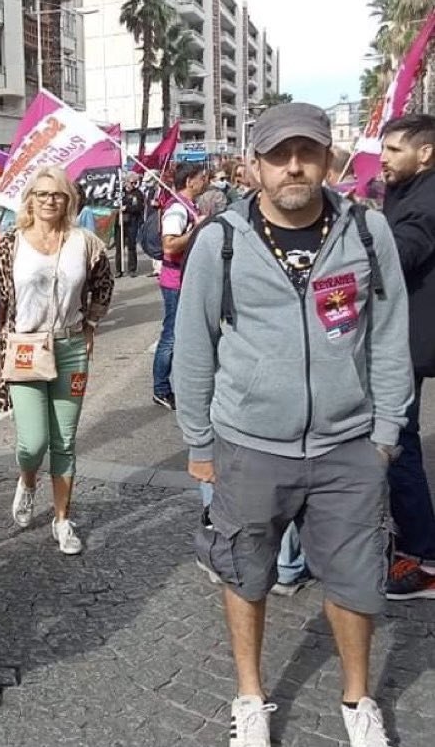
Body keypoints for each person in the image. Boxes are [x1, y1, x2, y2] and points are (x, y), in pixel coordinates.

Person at [173, 102, 413, 747]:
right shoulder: (221, 241)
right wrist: (199, 442)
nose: (294, 166)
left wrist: (386, 433)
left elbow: (389, 335)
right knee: (244, 574)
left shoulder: (367, 231)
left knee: (356, 579)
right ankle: (250, 696)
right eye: (279, 155)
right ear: (255, 165)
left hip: (349, 445)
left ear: (329, 159)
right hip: (248, 446)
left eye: (307, 152)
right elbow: (193, 346)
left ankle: (358, 699)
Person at [0, 166, 114, 555]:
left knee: (64, 441)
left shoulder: (85, 242)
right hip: (25, 348)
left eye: (57, 194)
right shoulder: (9, 244)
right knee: (34, 441)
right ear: (30, 199)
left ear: (69, 200)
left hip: (70, 347)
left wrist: (90, 324)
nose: (49, 200)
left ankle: (62, 520)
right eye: (42, 193)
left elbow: (104, 285)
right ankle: (28, 480)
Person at [380, 113, 435, 599]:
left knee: (398, 442)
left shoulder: (426, 198)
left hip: (411, 341)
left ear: (425, 153)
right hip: (408, 337)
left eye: (394, 149)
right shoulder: (405, 190)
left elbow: (400, 252)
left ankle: (422, 558)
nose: (383, 158)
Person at [152, 163, 208, 410]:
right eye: (201, 178)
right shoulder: (177, 209)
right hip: (176, 282)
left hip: (188, 279)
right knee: (171, 336)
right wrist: (198, 228)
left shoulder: (190, 206)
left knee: (184, 335)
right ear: (189, 181)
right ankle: (161, 389)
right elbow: (170, 245)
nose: (205, 182)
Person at [115, 172, 145, 277]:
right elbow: (114, 204)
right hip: (120, 223)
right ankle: (119, 269)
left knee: (131, 246)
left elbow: (140, 207)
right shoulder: (120, 192)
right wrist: (118, 207)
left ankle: (132, 269)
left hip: (132, 222)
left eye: (135, 183)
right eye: (132, 182)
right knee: (119, 247)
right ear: (126, 182)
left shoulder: (138, 193)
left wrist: (127, 208)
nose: (133, 184)